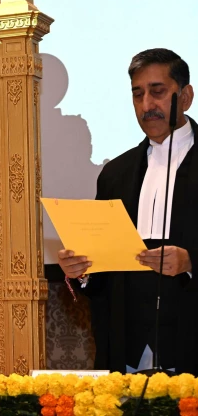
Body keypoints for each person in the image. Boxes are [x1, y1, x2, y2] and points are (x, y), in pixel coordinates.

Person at [58, 48, 198, 374]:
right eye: (138, 94)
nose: (147, 105)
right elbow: (105, 276)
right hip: (128, 351)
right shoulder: (115, 173)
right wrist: (83, 270)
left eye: (158, 92)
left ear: (186, 95)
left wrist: (191, 261)